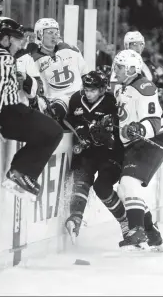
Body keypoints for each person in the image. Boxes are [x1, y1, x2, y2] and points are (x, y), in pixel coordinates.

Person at [0, 18, 63, 196]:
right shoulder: (4, 57)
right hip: (9, 111)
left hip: (4, 111)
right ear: (6, 39)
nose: (21, 43)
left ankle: (19, 171)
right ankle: (20, 172)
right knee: (54, 131)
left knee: (43, 131)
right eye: (17, 38)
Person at [112, 49, 163, 250]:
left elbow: (154, 121)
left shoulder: (144, 87)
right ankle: (152, 235)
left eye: (120, 67)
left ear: (132, 69)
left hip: (152, 141)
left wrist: (140, 128)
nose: (116, 70)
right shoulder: (122, 87)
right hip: (134, 144)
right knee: (124, 189)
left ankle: (137, 231)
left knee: (129, 183)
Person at [64, 70, 129, 242]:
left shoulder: (112, 102)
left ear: (102, 89)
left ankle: (125, 222)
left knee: (102, 187)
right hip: (87, 151)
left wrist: (110, 132)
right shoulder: (76, 99)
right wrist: (80, 130)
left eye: (93, 90)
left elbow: (122, 126)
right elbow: (68, 121)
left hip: (110, 153)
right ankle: (75, 218)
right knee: (81, 180)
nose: (88, 92)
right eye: (86, 89)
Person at [31, 18, 89, 124]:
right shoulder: (33, 59)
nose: (54, 36)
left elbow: (85, 74)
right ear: (39, 35)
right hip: (54, 103)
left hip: (79, 98)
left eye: (56, 32)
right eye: (50, 32)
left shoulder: (71, 50)